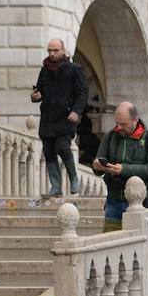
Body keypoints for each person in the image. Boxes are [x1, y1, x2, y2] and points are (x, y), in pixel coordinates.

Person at [92, 101, 148, 231]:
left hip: (142, 204)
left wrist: (123, 170)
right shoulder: (110, 136)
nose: (119, 127)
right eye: (117, 122)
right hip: (113, 201)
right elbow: (98, 162)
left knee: (137, 245)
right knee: (111, 243)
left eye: (123, 124)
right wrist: (97, 167)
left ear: (135, 120)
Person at [31, 38, 87, 198]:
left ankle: (74, 178)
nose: (52, 54)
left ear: (63, 51)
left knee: (62, 146)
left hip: (66, 117)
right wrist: (35, 96)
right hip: (48, 116)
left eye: (55, 50)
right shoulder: (44, 70)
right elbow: (40, 90)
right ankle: (56, 186)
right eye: (49, 51)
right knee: (48, 151)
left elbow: (82, 93)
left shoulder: (75, 69)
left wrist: (76, 111)